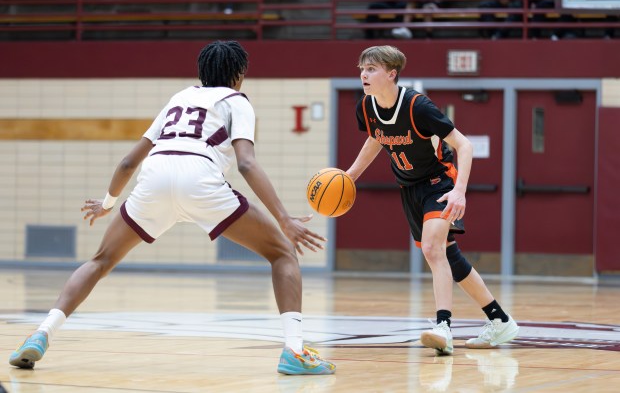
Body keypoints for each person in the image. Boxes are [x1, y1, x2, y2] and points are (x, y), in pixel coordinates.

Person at [8, 40, 336, 376]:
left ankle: (41, 333)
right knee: (282, 254)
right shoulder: (238, 101)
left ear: (201, 71)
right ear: (240, 74)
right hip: (200, 179)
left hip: (154, 178)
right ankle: (294, 350)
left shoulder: (179, 98)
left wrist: (108, 203)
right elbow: (247, 164)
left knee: (100, 261)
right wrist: (284, 218)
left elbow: (127, 162)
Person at [347, 45, 519, 355]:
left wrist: (459, 190)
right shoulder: (366, 107)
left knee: (432, 248)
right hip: (409, 188)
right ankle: (500, 320)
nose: (363, 74)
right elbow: (375, 137)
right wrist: (351, 175)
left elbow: (464, 145)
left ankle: (443, 328)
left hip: (440, 181)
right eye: (361, 68)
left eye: (371, 69)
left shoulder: (418, 106)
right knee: (449, 258)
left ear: (391, 74)